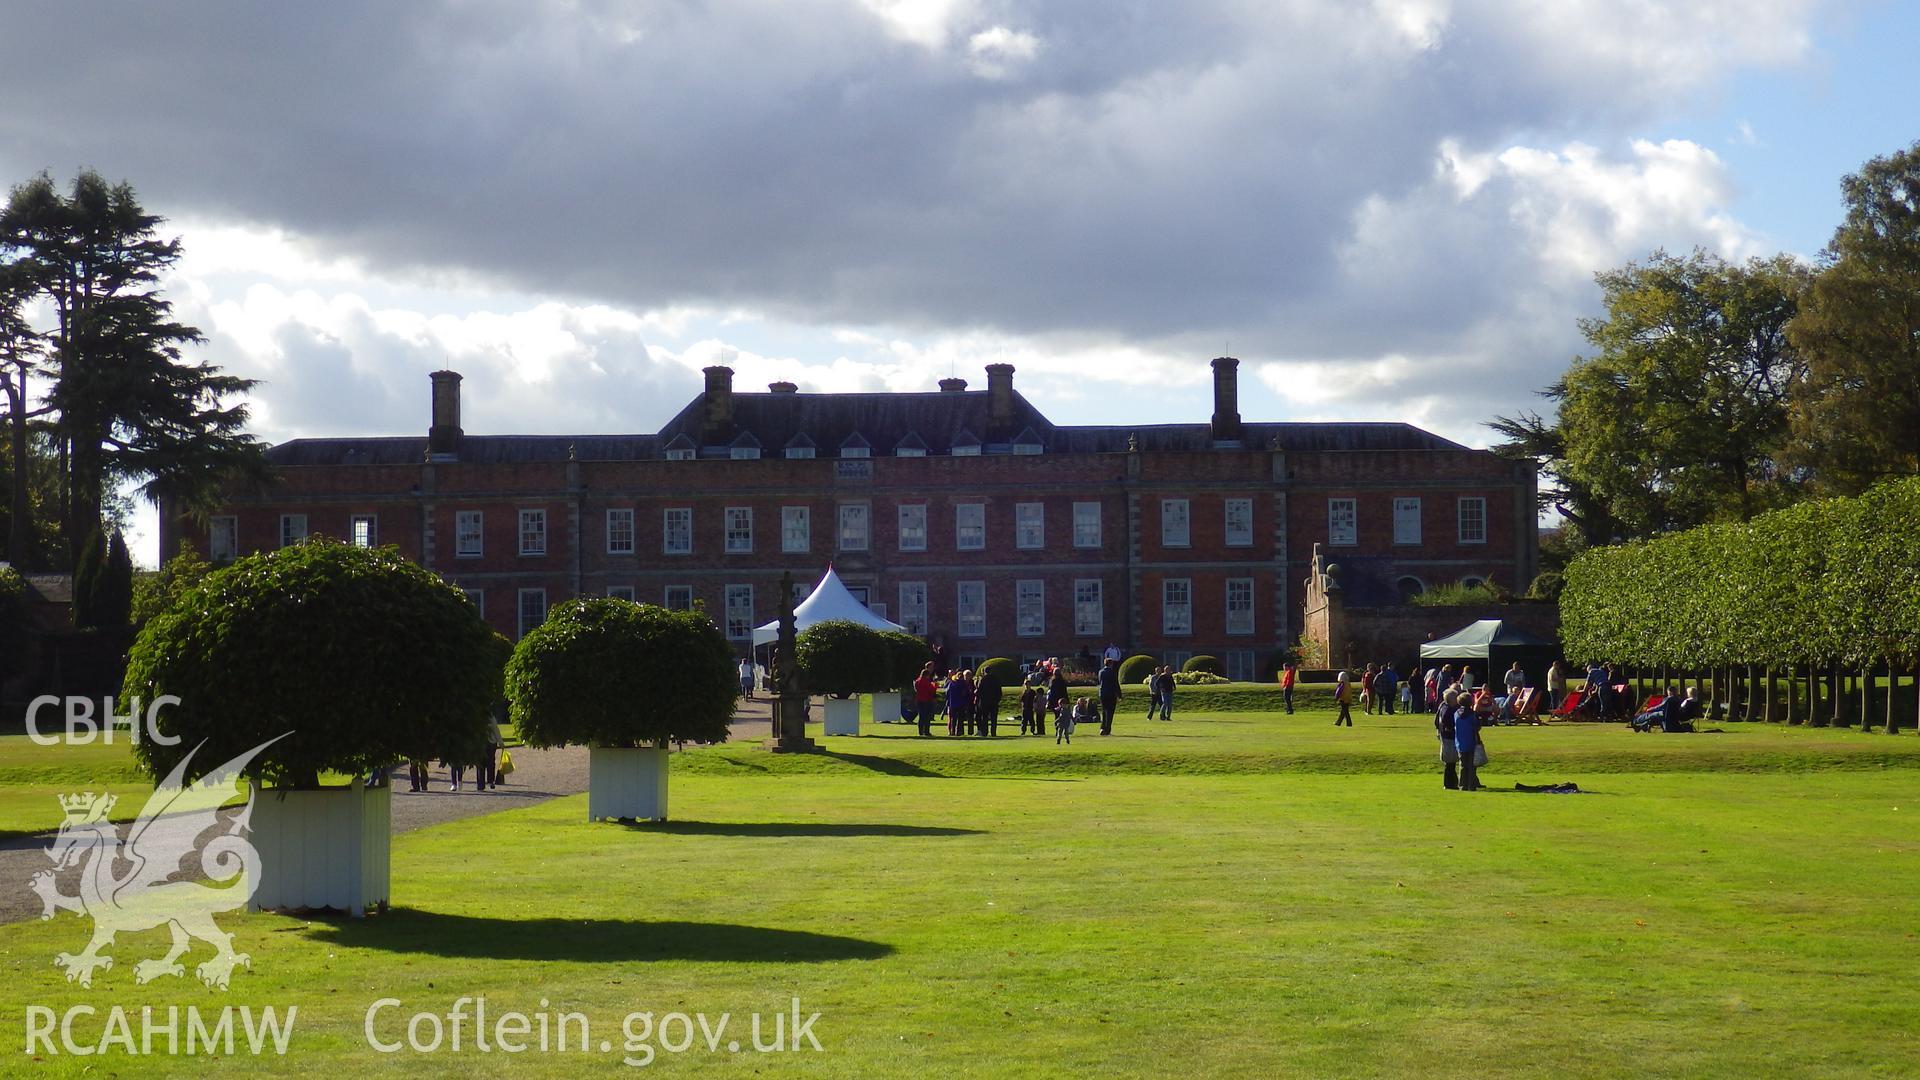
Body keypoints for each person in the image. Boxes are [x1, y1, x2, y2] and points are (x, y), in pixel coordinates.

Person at [1453, 694, 1482, 791]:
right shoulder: (1472, 714)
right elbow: (1477, 726)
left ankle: (1462, 785)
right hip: (1471, 741)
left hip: (1460, 742)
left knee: (1462, 765)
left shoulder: (1456, 713)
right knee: (1471, 765)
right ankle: (1471, 784)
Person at [1436, 690, 1460, 790]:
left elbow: (1436, 722)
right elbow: (1448, 723)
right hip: (1449, 738)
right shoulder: (1449, 710)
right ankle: (1449, 784)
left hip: (1445, 737)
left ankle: (1452, 783)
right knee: (1450, 762)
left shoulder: (1443, 707)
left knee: (1450, 763)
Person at [1097, 656, 1122, 736]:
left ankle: (1102, 728)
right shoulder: (1112, 672)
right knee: (1110, 712)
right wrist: (1119, 695)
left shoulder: (1101, 672)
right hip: (1110, 694)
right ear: (1110, 664)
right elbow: (1115, 684)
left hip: (1102, 694)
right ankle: (1107, 730)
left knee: (1104, 711)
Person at [945, 670, 973, 737]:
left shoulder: (952, 683)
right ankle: (958, 732)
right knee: (960, 719)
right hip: (961, 704)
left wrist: (949, 701)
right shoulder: (964, 684)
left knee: (953, 719)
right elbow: (967, 694)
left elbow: (947, 693)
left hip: (952, 703)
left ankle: (952, 731)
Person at [914, 663, 939, 737]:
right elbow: (931, 689)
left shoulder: (917, 681)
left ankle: (920, 732)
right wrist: (935, 685)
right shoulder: (926, 681)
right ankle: (926, 731)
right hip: (927, 700)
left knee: (921, 716)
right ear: (926, 675)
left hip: (919, 700)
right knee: (927, 717)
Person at [977, 673, 1004, 737]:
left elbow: (979, 691)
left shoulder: (983, 679)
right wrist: (997, 700)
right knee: (994, 719)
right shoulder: (995, 679)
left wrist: (980, 699)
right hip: (994, 702)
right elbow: (999, 691)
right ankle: (993, 732)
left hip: (985, 702)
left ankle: (985, 732)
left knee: (984, 718)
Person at [1047, 664, 1071, 733]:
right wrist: (1067, 701)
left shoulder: (1052, 681)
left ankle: (1058, 729)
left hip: (1054, 701)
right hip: (1062, 701)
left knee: (1057, 715)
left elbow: (1050, 693)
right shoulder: (1062, 681)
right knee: (1062, 715)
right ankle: (1061, 728)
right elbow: (1065, 692)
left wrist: (1049, 701)